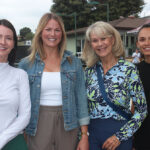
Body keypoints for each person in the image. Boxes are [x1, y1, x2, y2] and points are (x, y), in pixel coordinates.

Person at [18, 12, 90, 150]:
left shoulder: (74, 63)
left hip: (69, 124)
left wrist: (84, 135)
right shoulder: (25, 64)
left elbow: (81, 99)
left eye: (57, 30)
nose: (53, 34)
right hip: (37, 123)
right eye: (48, 29)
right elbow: (20, 102)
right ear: (40, 33)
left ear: (62, 34)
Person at [82, 21, 147, 150]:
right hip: (93, 136)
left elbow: (142, 111)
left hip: (119, 137)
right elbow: (83, 107)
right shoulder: (89, 71)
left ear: (112, 40)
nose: (100, 44)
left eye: (103, 38)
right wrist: (82, 136)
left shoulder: (128, 69)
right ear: (91, 45)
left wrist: (120, 136)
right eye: (95, 41)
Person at [0, 19, 31, 150]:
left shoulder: (20, 75)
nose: (3, 42)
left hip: (13, 143)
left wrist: (1, 139)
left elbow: (25, 116)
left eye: (8, 38)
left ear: (13, 44)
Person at [133, 24, 150, 150]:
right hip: (142, 135)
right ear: (138, 44)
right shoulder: (135, 71)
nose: (147, 43)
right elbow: (133, 106)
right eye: (142, 39)